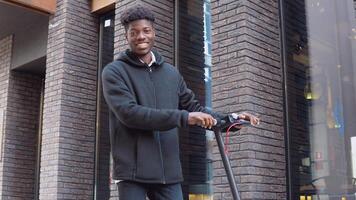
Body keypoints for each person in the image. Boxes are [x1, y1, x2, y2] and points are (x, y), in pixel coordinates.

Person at [101, 5, 258, 200]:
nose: (141, 36)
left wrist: (232, 119)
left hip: (168, 172)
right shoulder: (114, 72)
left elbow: (195, 109)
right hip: (132, 172)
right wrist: (186, 117)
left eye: (146, 31)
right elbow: (129, 114)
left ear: (154, 33)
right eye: (134, 32)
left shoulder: (171, 74)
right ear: (127, 37)